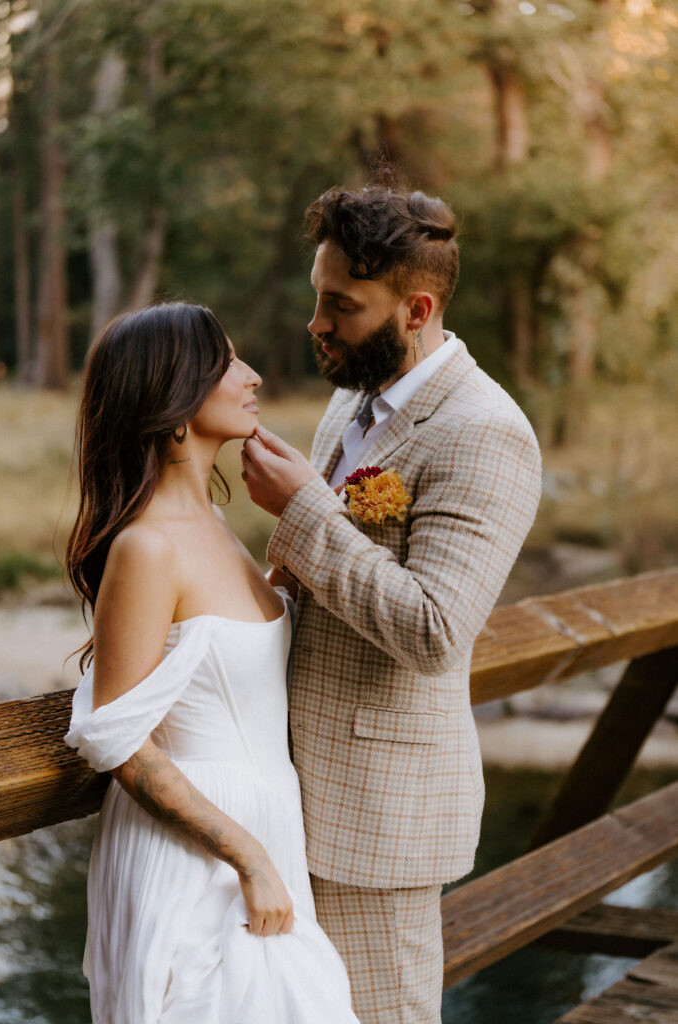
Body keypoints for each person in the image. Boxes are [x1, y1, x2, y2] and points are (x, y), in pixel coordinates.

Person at [241, 182, 542, 1024]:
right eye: (316, 296)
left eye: (341, 305)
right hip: (286, 793)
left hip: (379, 818)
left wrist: (302, 510)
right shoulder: (348, 404)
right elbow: (321, 581)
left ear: (414, 307)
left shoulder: (484, 432)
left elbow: (435, 630)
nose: (316, 324)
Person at [63, 303, 360, 1023]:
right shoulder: (146, 547)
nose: (253, 376)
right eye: (228, 363)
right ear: (173, 398)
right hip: (198, 854)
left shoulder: (218, 528)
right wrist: (246, 856)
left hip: (267, 826)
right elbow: (118, 739)